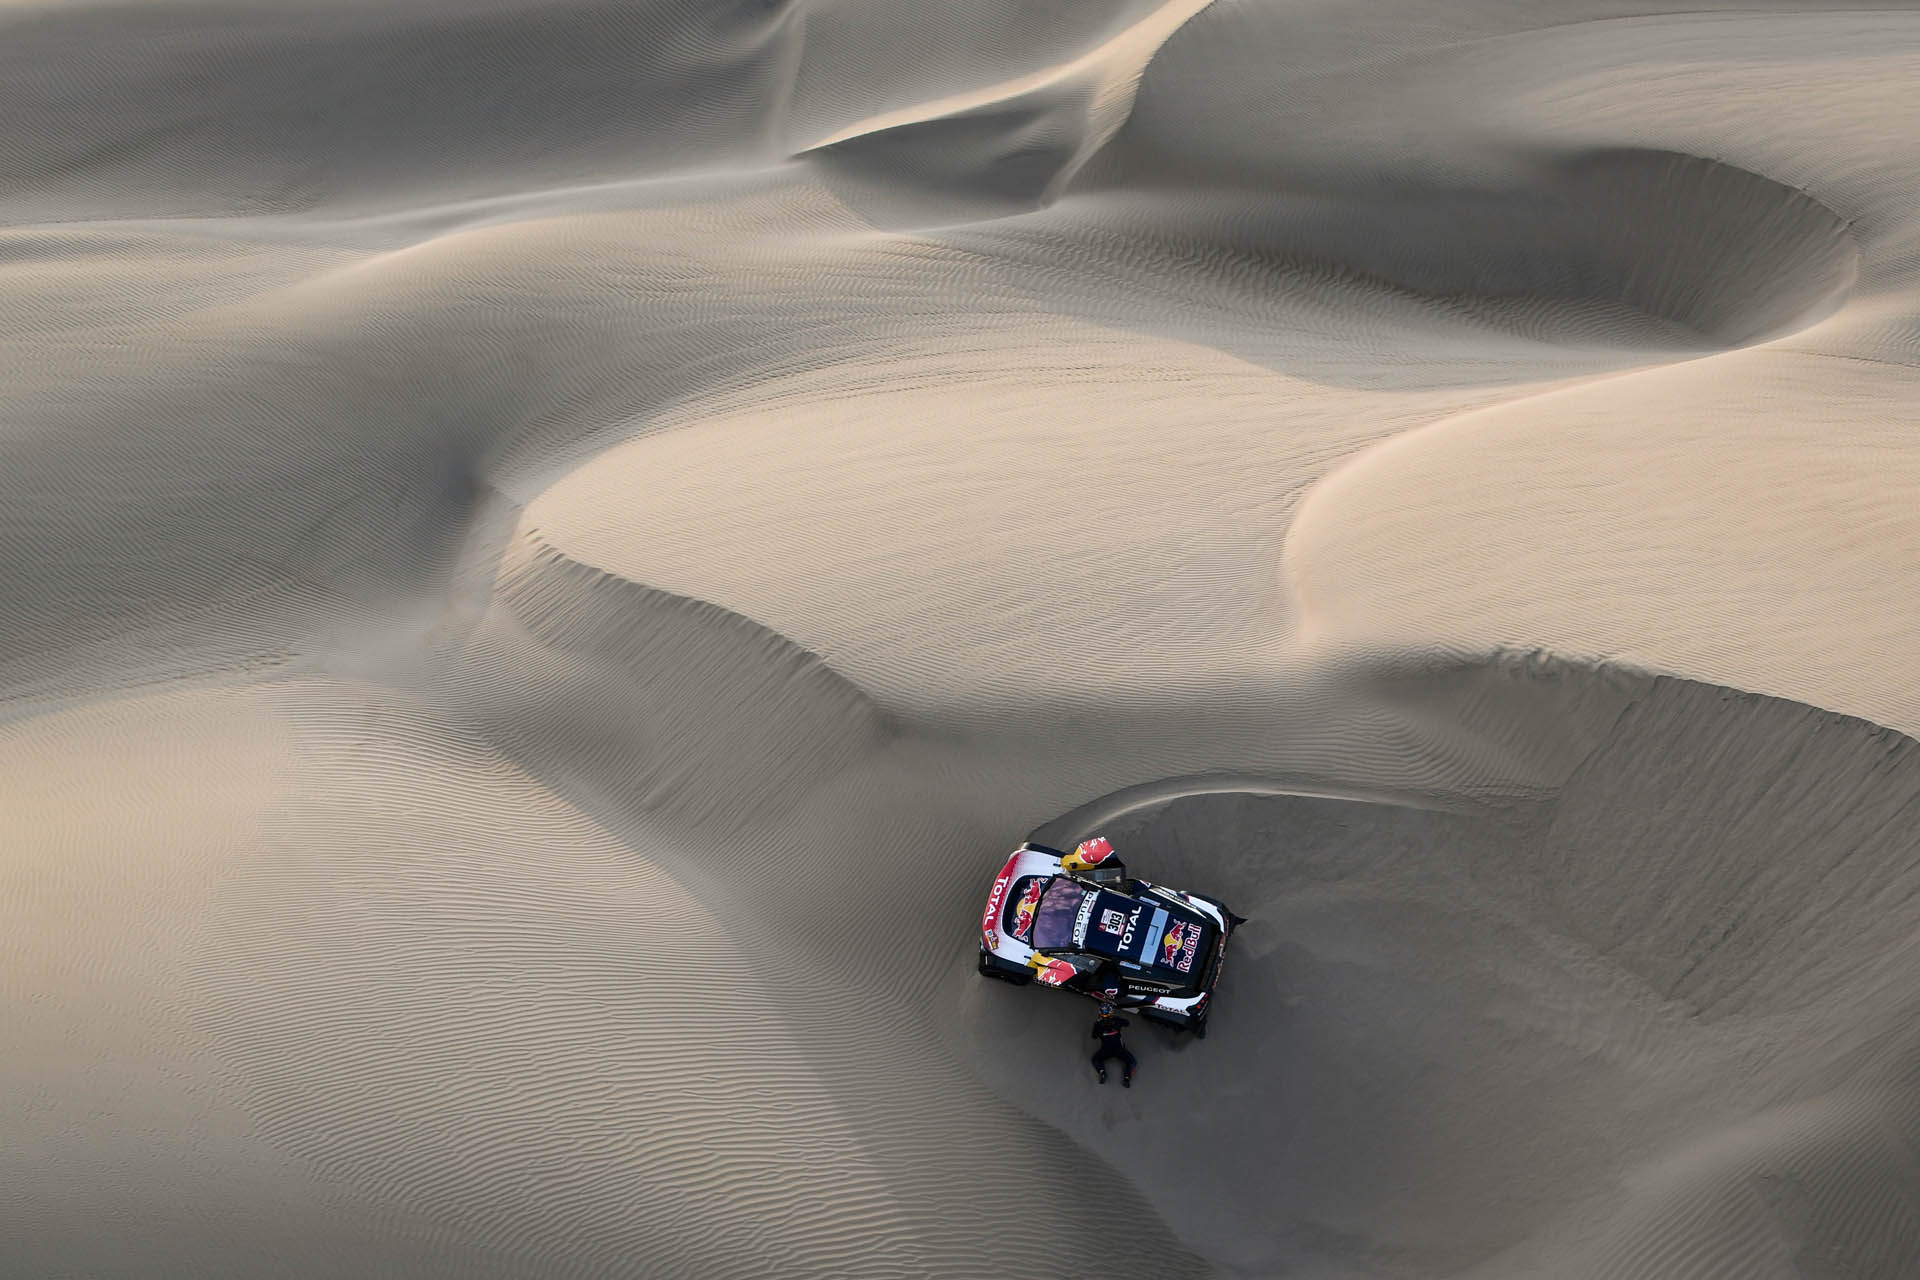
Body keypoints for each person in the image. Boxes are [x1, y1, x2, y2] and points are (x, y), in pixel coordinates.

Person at [1090, 1003, 1136, 1087]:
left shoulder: (1097, 1024)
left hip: (1105, 1050)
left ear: (1100, 1013)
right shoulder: (1117, 1020)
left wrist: (1099, 1026)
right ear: (1111, 1012)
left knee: (1095, 1060)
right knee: (1132, 1062)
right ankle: (1127, 1078)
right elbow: (1127, 1023)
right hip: (1119, 1049)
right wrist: (1116, 1021)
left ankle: (1102, 1072)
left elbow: (1094, 1036)